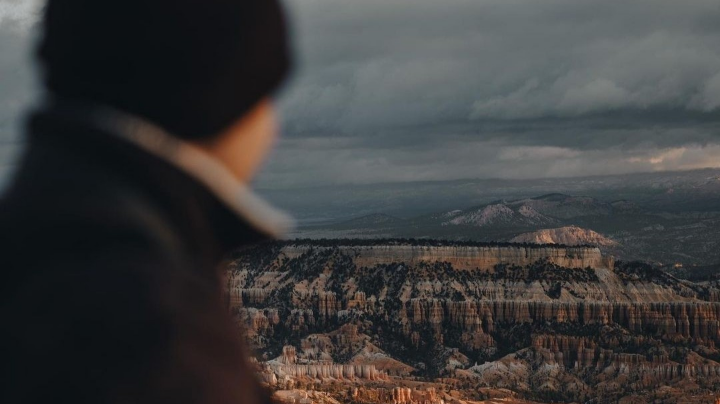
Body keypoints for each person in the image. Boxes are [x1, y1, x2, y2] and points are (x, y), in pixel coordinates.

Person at [0, 0, 293, 403]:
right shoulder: (155, 342)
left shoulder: (36, 247)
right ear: (222, 98)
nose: (272, 128)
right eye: (265, 95)